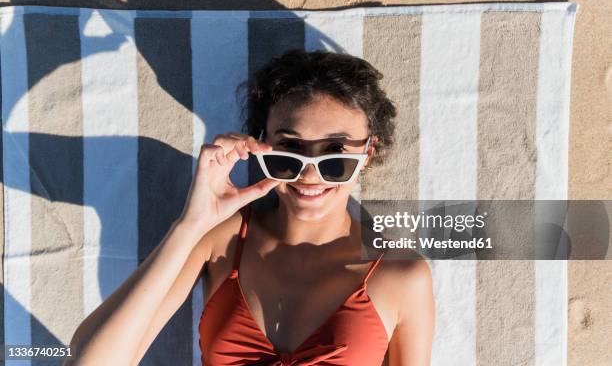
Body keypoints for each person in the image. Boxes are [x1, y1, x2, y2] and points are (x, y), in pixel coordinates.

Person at [67, 49, 435, 366]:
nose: (309, 175)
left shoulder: (402, 274)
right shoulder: (218, 239)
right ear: (261, 147)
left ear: (367, 154)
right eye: (288, 152)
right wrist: (190, 224)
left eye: (335, 157)